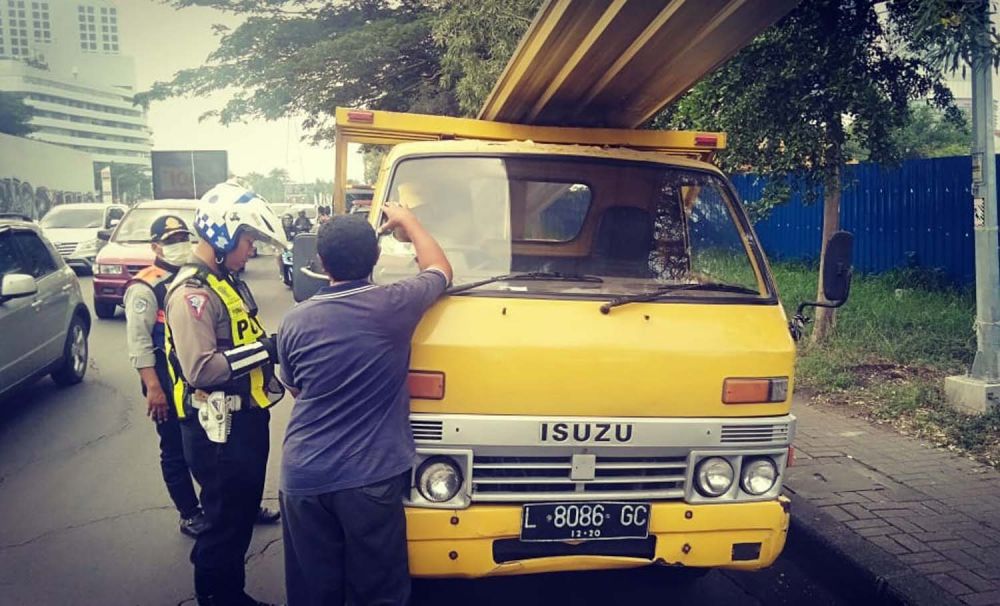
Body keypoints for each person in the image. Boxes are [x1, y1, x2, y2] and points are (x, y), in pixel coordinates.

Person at [276, 207, 452, 606]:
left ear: (320, 263)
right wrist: (410, 221)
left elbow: (297, 390)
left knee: (313, 593)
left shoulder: (294, 321)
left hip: (303, 477)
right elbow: (440, 268)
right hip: (368, 479)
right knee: (377, 591)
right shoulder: (394, 304)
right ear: (376, 257)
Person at [164, 182, 288, 606]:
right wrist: (264, 349)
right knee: (223, 523)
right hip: (218, 434)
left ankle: (230, 593)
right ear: (223, 238)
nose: (250, 249)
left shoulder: (223, 281)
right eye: (248, 240)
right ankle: (217, 597)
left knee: (237, 519)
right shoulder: (192, 294)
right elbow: (201, 368)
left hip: (242, 424)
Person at [124, 215, 209, 538]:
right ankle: (189, 512)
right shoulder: (145, 286)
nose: (179, 246)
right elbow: (139, 343)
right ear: (155, 246)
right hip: (164, 380)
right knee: (175, 448)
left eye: (183, 238)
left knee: (215, 444)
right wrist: (153, 388)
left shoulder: (195, 275)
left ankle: (228, 503)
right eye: (171, 241)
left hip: (197, 376)